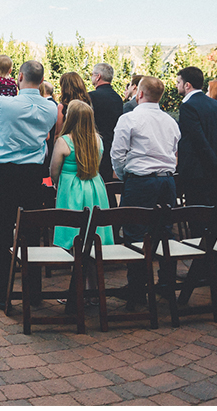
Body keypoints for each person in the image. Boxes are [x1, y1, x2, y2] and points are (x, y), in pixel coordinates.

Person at [0, 60, 57, 310]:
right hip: (32, 177)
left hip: (3, 175)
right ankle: (33, 292)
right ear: (41, 80)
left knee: (0, 234)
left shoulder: (2, 104)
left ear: (19, 77)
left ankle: (2, 293)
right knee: (31, 233)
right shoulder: (50, 108)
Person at [110, 76, 181, 308]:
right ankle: (166, 284)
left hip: (141, 181)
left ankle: (137, 290)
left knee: (135, 233)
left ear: (139, 93)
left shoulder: (129, 118)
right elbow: (174, 151)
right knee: (165, 231)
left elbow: (117, 154)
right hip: (167, 181)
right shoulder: (170, 121)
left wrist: (126, 176)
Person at [51, 99, 112, 300]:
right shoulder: (98, 140)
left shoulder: (64, 141)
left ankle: (76, 293)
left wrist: (59, 184)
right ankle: (93, 291)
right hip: (95, 189)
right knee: (91, 239)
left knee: (74, 240)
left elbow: (54, 171)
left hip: (71, 191)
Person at [176, 66, 217, 207]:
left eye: (178, 82)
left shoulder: (188, 106)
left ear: (187, 85)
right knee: (214, 213)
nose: (177, 85)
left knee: (197, 216)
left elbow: (199, 141)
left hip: (196, 173)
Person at [89, 62, 123, 182]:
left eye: (92, 74)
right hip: (113, 146)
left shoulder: (91, 97)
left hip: (95, 148)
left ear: (98, 76)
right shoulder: (118, 98)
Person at [54, 72, 91, 153]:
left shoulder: (62, 106)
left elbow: (58, 132)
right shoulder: (87, 103)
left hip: (68, 146)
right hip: (86, 144)